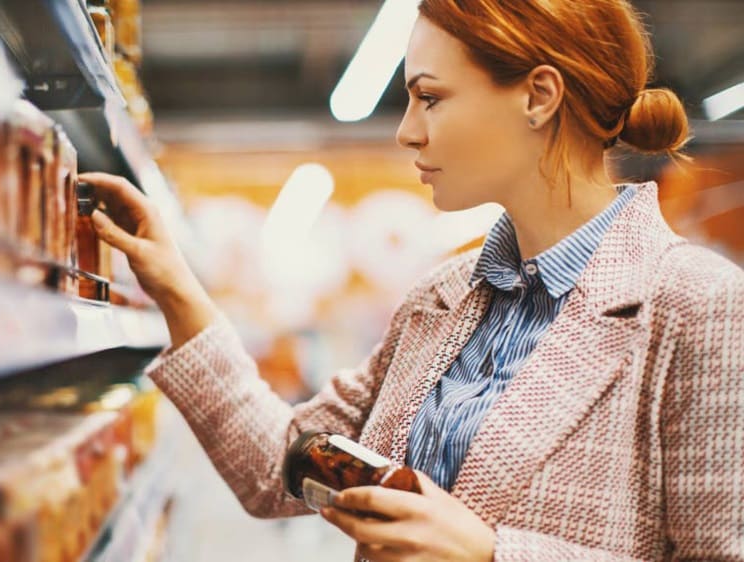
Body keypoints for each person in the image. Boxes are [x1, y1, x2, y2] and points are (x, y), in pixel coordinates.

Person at [79, 0, 744, 560]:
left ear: (538, 96)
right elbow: (277, 469)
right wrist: (173, 285)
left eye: (430, 98)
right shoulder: (441, 299)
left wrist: (492, 554)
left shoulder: (695, 304)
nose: (405, 131)